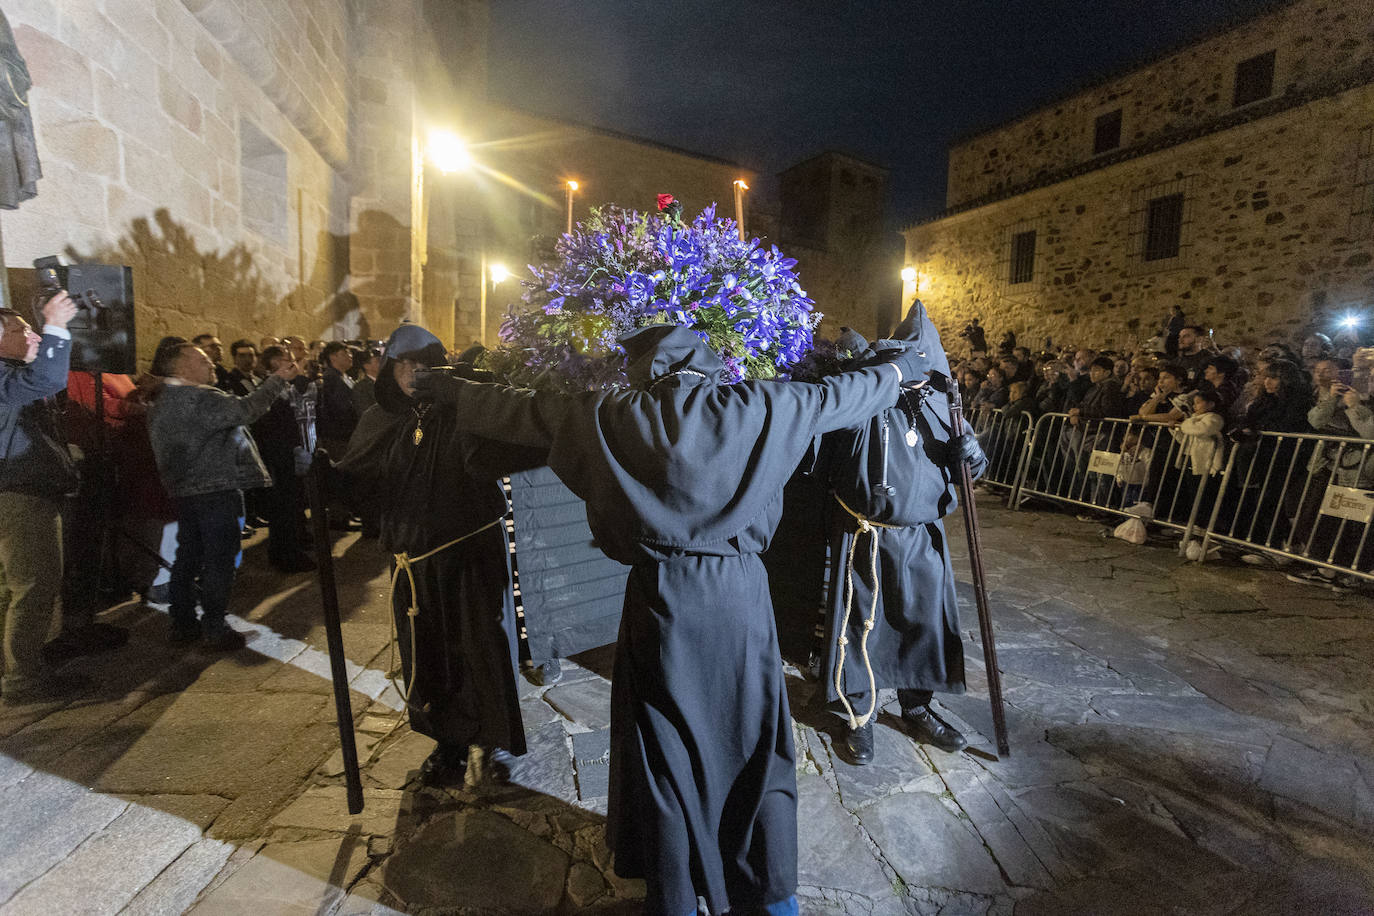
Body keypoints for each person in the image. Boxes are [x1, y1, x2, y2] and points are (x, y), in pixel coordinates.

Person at [415, 323, 928, 916]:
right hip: (739, 599)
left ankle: (678, 896)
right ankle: (766, 892)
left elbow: (523, 412)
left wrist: (454, 391)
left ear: (647, 373)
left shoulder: (610, 414)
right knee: (753, 740)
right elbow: (847, 396)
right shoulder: (764, 403)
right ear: (708, 367)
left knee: (666, 750)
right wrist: (897, 371)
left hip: (663, 598)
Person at [340, 325, 544, 786]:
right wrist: (322, 476)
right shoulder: (380, 419)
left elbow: (507, 446)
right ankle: (444, 740)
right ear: (390, 370)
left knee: (475, 647)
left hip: (467, 554)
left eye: (421, 363)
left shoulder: (463, 412)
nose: (411, 373)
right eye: (402, 364)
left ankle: (484, 738)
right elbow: (359, 481)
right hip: (413, 564)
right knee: (425, 654)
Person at [812, 303, 988, 764]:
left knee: (924, 625)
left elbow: (974, 469)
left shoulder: (941, 403)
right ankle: (858, 715)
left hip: (924, 536)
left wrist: (970, 455)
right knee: (861, 629)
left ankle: (917, 708)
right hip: (867, 533)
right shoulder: (870, 395)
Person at [148, 342, 298, 648]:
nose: (212, 365)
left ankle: (183, 623)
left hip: (185, 492)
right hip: (216, 491)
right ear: (182, 368)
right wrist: (278, 379)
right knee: (220, 560)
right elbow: (247, 409)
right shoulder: (202, 398)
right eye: (203, 361)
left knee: (187, 557)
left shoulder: (164, 400)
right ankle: (215, 626)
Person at [0, 292, 86, 703]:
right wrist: (55, 326)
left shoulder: (11, 374)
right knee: (35, 585)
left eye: (32, 328)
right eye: (21, 330)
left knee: (15, 586)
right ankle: (23, 681)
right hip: (19, 496)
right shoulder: (4, 376)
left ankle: (16, 668)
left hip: (22, 491)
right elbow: (48, 379)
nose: (31, 335)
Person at [249, 346, 315, 573]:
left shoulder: (285, 387)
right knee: (282, 508)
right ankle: (285, 554)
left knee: (292, 504)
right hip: (278, 458)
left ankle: (291, 549)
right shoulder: (267, 390)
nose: (293, 363)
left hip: (287, 456)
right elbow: (268, 427)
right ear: (275, 362)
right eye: (287, 359)